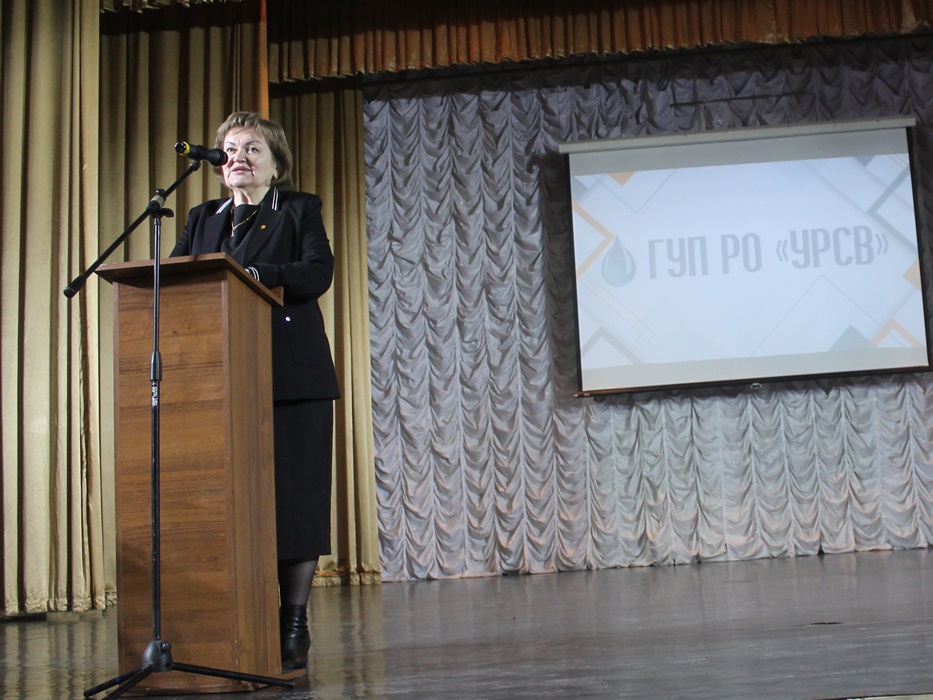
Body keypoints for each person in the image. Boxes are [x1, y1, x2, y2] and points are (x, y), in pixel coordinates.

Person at [171, 111, 340, 671]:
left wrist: (264, 275)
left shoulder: (298, 209)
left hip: (291, 377)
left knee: (295, 503)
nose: (238, 157)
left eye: (252, 149)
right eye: (230, 149)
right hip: (219, 380)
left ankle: (292, 622)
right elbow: (176, 281)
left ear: (275, 163)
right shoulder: (202, 218)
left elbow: (317, 273)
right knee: (228, 503)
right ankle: (237, 618)